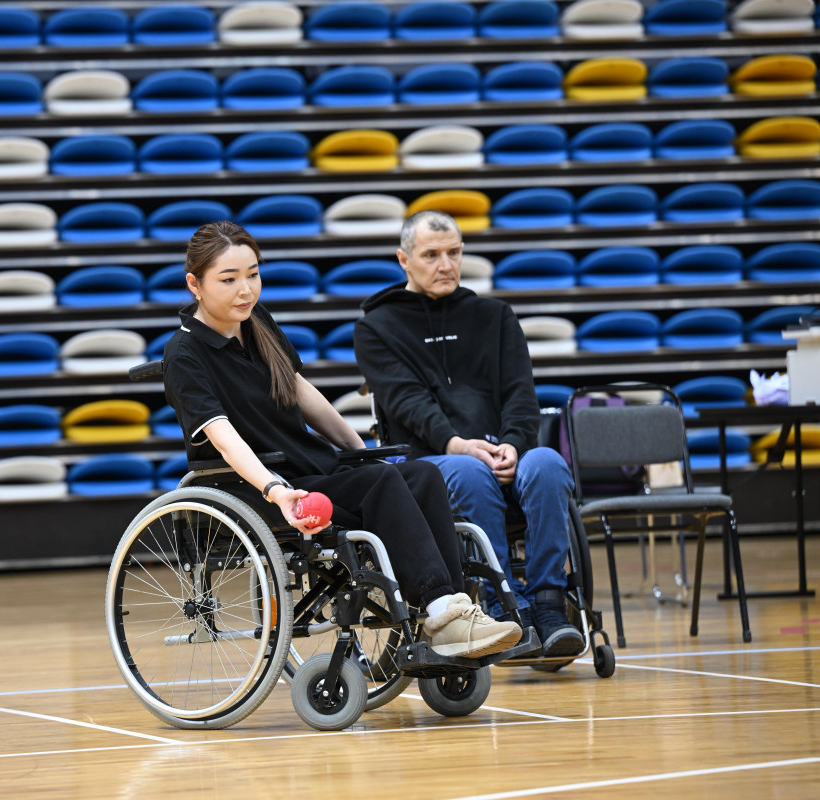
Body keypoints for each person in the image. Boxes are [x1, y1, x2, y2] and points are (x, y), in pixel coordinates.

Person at [163, 221, 521, 659]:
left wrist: (362, 453)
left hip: (311, 469)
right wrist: (275, 490)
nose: (246, 290)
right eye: (229, 279)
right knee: (382, 485)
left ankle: (450, 613)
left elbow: (304, 395)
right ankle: (441, 611)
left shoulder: (256, 322)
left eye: (253, 274)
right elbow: (224, 440)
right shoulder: (183, 355)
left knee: (421, 475)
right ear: (194, 285)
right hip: (255, 487)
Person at [352, 209, 583, 658]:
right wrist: (457, 444)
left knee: (549, 464)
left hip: (505, 451)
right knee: (467, 473)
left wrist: (514, 442)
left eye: (454, 253)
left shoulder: (494, 316)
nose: (446, 265)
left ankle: (551, 607)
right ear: (404, 259)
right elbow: (407, 403)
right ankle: (505, 606)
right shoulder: (376, 327)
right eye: (432, 255)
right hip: (436, 458)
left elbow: (521, 393)